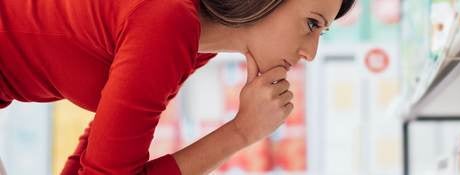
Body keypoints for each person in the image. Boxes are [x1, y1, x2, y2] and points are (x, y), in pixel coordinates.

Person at [0, 0, 354, 174]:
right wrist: (241, 132)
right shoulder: (170, 24)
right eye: (311, 23)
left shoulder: (198, 40)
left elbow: (105, 143)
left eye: (321, 33)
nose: (310, 51)